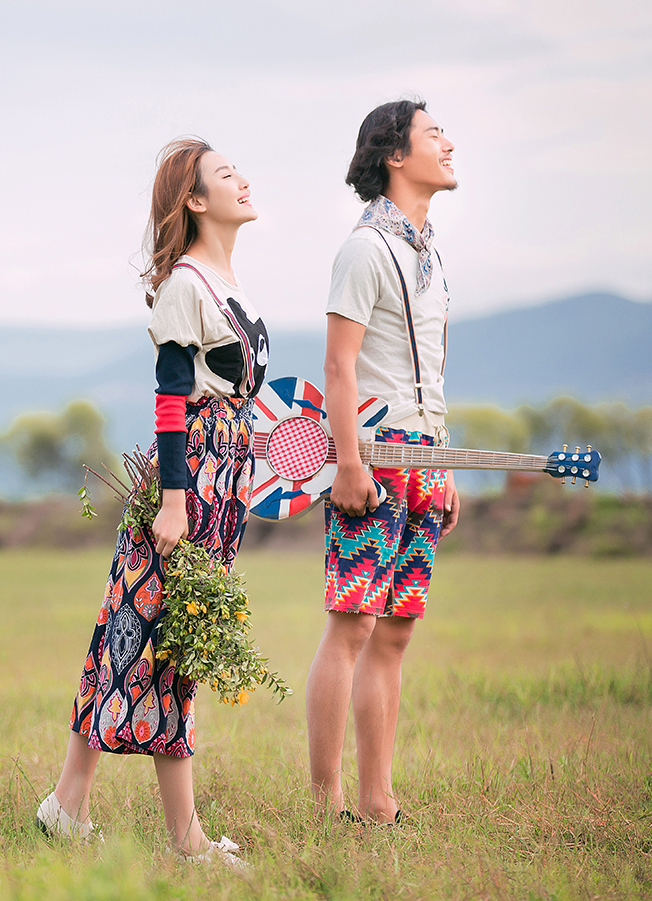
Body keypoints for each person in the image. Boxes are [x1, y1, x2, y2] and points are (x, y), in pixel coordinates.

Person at [35, 138, 269, 866]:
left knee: (130, 628)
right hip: (187, 480)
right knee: (173, 640)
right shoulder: (186, 286)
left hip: (220, 481)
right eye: (226, 175)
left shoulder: (231, 285)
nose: (243, 179)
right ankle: (186, 838)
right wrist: (175, 502)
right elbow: (172, 403)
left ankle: (64, 806)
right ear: (195, 201)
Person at [305, 98, 461, 824]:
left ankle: (377, 799)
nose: (448, 143)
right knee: (353, 624)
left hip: (426, 458)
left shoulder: (427, 254)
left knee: (394, 630)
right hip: (370, 456)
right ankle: (326, 798)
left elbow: (428, 370)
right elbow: (340, 366)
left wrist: (448, 462)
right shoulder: (365, 247)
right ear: (396, 155)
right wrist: (346, 464)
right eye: (434, 133)